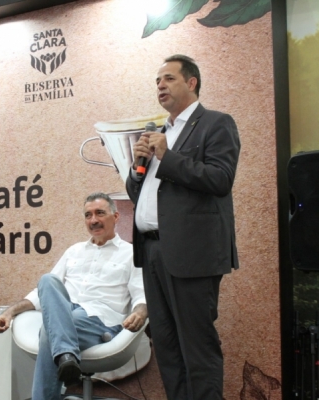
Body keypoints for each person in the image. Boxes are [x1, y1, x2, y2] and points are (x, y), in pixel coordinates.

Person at [126, 54, 240, 400]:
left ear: (191, 83)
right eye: (157, 81)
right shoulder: (161, 133)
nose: (160, 85)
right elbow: (140, 192)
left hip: (192, 254)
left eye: (169, 79)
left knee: (197, 347)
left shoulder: (216, 124)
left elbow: (220, 179)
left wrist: (168, 157)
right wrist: (136, 169)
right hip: (153, 251)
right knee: (167, 347)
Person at [0, 192, 147, 400]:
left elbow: (141, 295)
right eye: (88, 215)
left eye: (100, 213)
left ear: (116, 217)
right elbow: (42, 294)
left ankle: (62, 360)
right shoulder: (74, 251)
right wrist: (10, 313)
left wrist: (140, 312)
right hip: (67, 314)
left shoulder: (131, 253)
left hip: (100, 321)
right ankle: (66, 355)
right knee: (47, 280)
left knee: (50, 330)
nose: (93, 220)